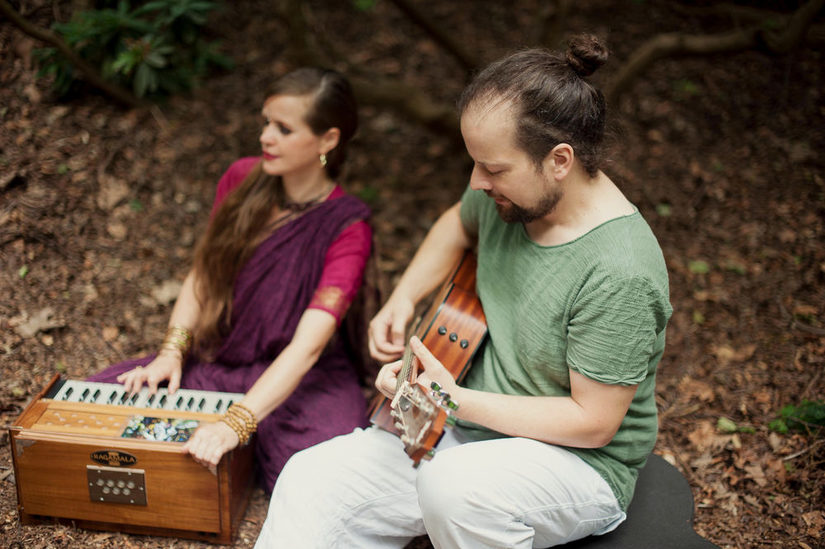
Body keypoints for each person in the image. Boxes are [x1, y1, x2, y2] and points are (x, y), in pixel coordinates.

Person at [255, 34, 672, 548]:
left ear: (560, 160)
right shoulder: (510, 198)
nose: (477, 182)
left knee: (454, 488)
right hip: (467, 430)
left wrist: (451, 400)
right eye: (474, 163)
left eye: (493, 168)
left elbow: (593, 424)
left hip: (577, 463)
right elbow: (457, 222)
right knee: (311, 477)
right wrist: (404, 298)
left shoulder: (621, 272)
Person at [88, 67, 374, 493]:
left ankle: (250, 444)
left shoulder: (348, 226)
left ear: (328, 140)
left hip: (301, 378)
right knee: (97, 413)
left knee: (324, 477)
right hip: (220, 361)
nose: (265, 137)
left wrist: (235, 423)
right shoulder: (242, 178)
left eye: (283, 129)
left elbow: (308, 346)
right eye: (266, 122)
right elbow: (204, 272)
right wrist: (171, 353)